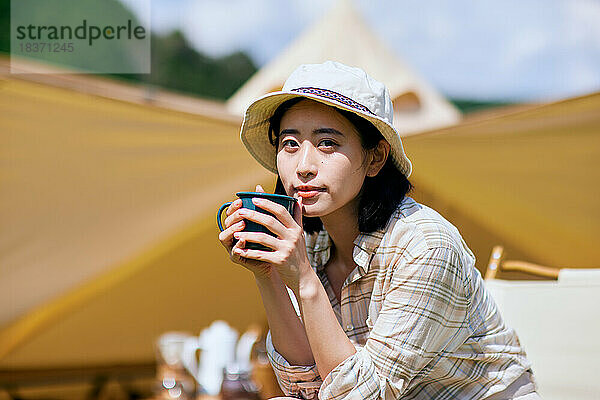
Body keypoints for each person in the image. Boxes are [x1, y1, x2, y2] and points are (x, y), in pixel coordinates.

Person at [218, 61, 540, 399]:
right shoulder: (312, 245)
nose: (303, 167)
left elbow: (364, 396)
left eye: (327, 143)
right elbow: (305, 387)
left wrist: (304, 280)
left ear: (375, 158)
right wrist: (268, 274)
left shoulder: (425, 246)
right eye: (290, 144)